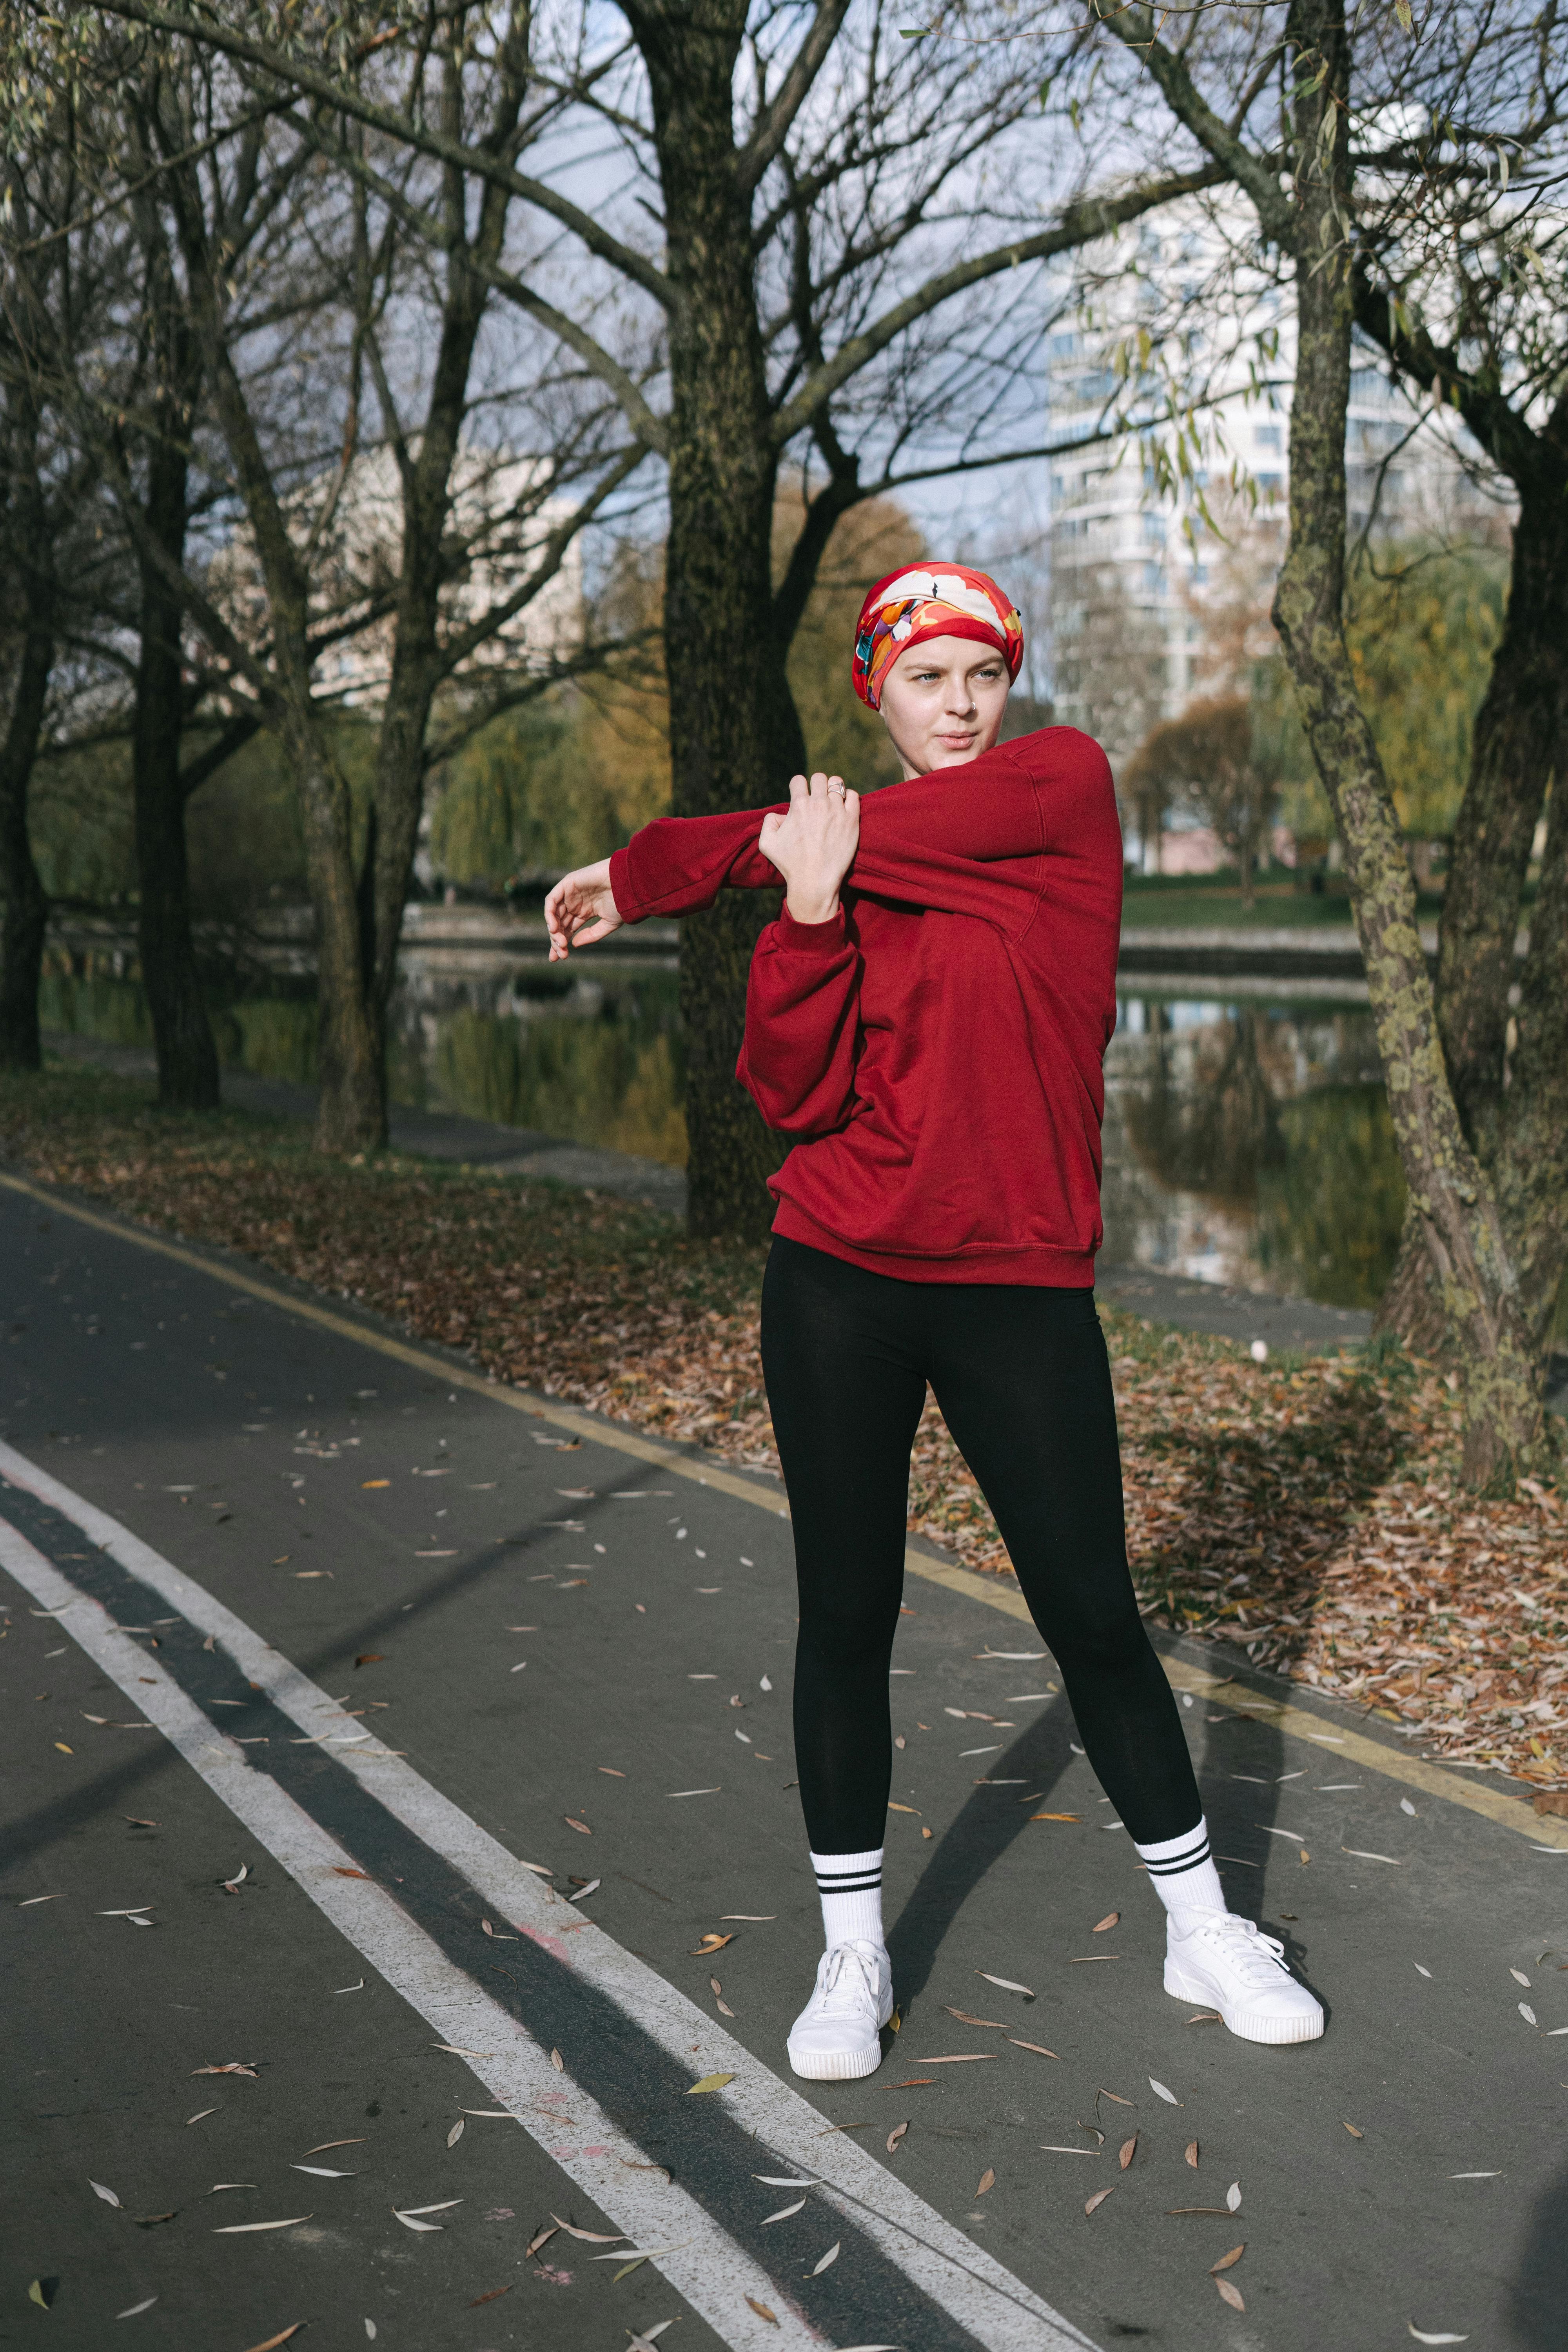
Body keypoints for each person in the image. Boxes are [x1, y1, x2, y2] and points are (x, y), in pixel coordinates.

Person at [545, 564, 1324, 2078]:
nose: (960, 703)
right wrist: (816, 908)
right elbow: (789, 1094)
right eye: (927, 680)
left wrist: (651, 870)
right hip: (838, 1271)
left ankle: (1200, 1926)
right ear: (877, 694)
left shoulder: (1059, 791)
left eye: (982, 672)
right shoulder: (841, 857)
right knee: (848, 1614)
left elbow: (808, 841)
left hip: (1019, 1283)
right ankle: (853, 1952)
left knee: (1093, 1612)